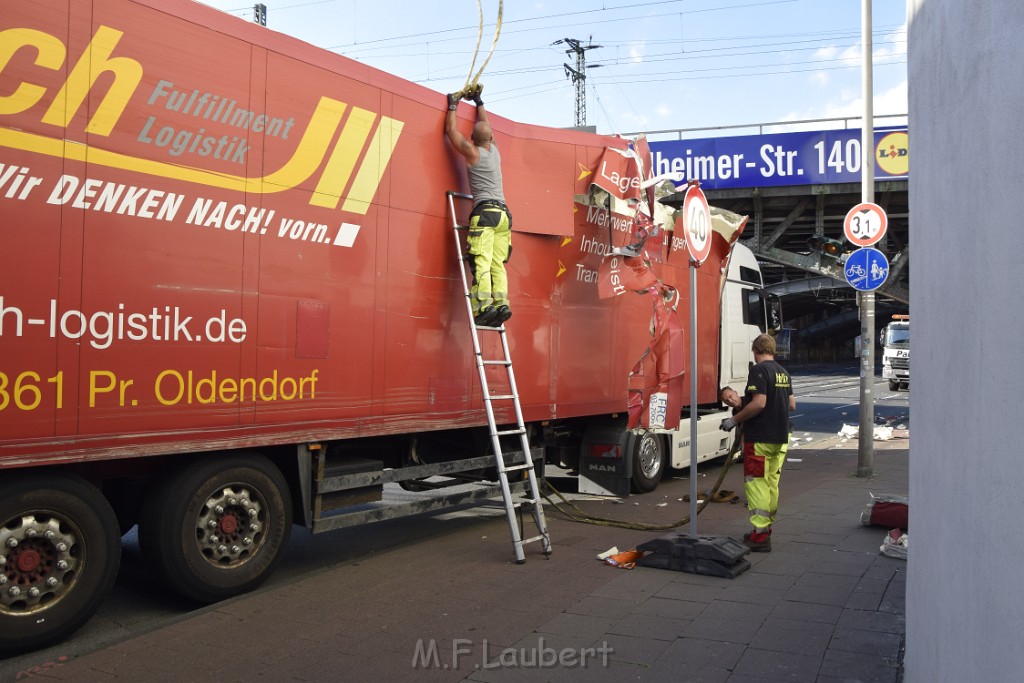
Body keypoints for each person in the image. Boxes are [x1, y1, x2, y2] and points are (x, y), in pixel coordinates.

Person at [444, 84, 513, 327]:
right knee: (497, 263)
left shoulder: (472, 152)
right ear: (491, 138)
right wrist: (479, 102)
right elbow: (487, 129)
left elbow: (451, 131)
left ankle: (484, 306)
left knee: (481, 262)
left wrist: (453, 103)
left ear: (473, 139)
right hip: (504, 216)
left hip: (485, 214)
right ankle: (501, 304)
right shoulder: (494, 151)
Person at [720, 334, 795, 552]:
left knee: (757, 484)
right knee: (771, 484)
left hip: (761, 438)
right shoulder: (783, 372)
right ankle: (766, 529)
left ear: (755, 349)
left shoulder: (759, 371)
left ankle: (760, 536)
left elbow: (759, 403)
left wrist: (734, 420)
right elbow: (791, 405)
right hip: (781, 437)